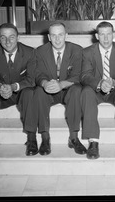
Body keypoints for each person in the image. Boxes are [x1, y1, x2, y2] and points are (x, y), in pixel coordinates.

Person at [80, 21, 115, 160]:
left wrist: (113, 83)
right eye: (102, 34)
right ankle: (93, 141)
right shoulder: (87, 52)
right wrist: (100, 83)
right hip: (96, 91)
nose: (106, 38)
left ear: (114, 35)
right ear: (96, 36)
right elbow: (85, 76)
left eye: (109, 34)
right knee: (86, 91)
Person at [0, 23, 36, 156]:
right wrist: (0, 87)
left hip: (21, 92)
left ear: (18, 37)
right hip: (3, 93)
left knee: (29, 93)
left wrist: (13, 87)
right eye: (3, 38)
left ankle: (31, 138)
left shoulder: (30, 52)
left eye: (12, 37)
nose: (8, 41)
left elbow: (31, 79)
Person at [32, 22, 86, 156]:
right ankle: (45, 138)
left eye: (60, 35)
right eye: (53, 35)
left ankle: (73, 137)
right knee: (38, 91)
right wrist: (44, 83)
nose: (57, 39)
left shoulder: (77, 50)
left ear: (66, 35)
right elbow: (38, 74)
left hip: (67, 89)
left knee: (77, 90)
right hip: (49, 91)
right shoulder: (40, 51)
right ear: (48, 37)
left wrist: (61, 84)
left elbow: (78, 75)